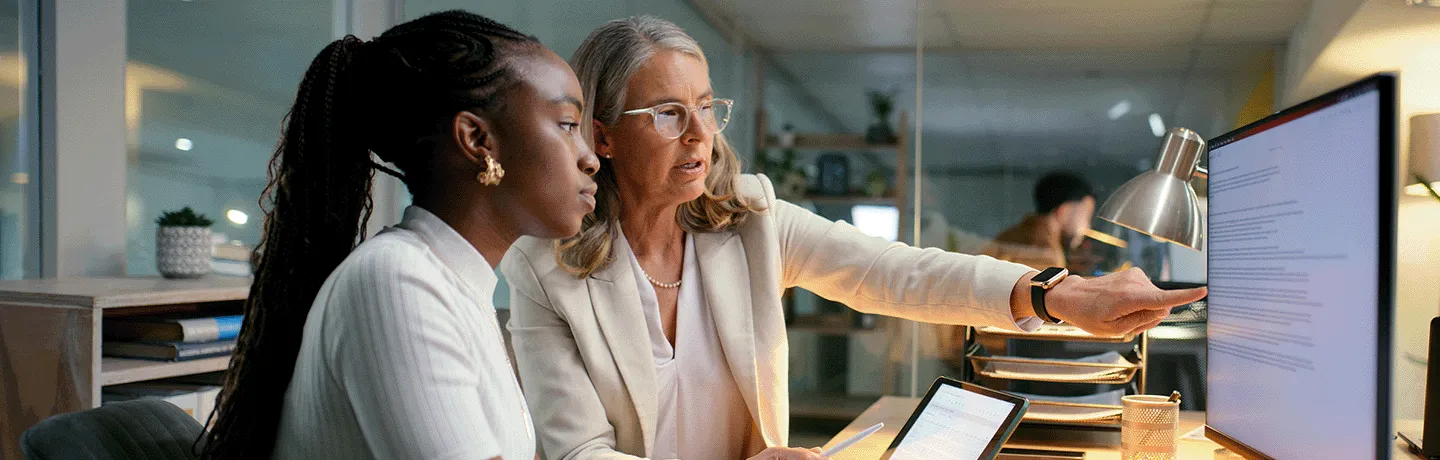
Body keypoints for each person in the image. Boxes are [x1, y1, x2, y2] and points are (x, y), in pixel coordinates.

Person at [501, 16, 1205, 460]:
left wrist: (1059, 296)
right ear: (601, 135)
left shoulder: (750, 221)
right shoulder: (543, 271)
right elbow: (579, 452)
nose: (700, 134)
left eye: (708, 108)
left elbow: (897, 272)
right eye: (666, 113)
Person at [200, 10, 599, 460]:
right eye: (567, 125)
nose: (589, 159)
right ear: (476, 139)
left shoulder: (454, 285)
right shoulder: (396, 282)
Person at [983, 171, 1097, 271]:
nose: (1088, 225)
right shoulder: (1047, 255)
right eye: (1086, 215)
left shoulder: (1011, 235)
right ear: (1064, 211)